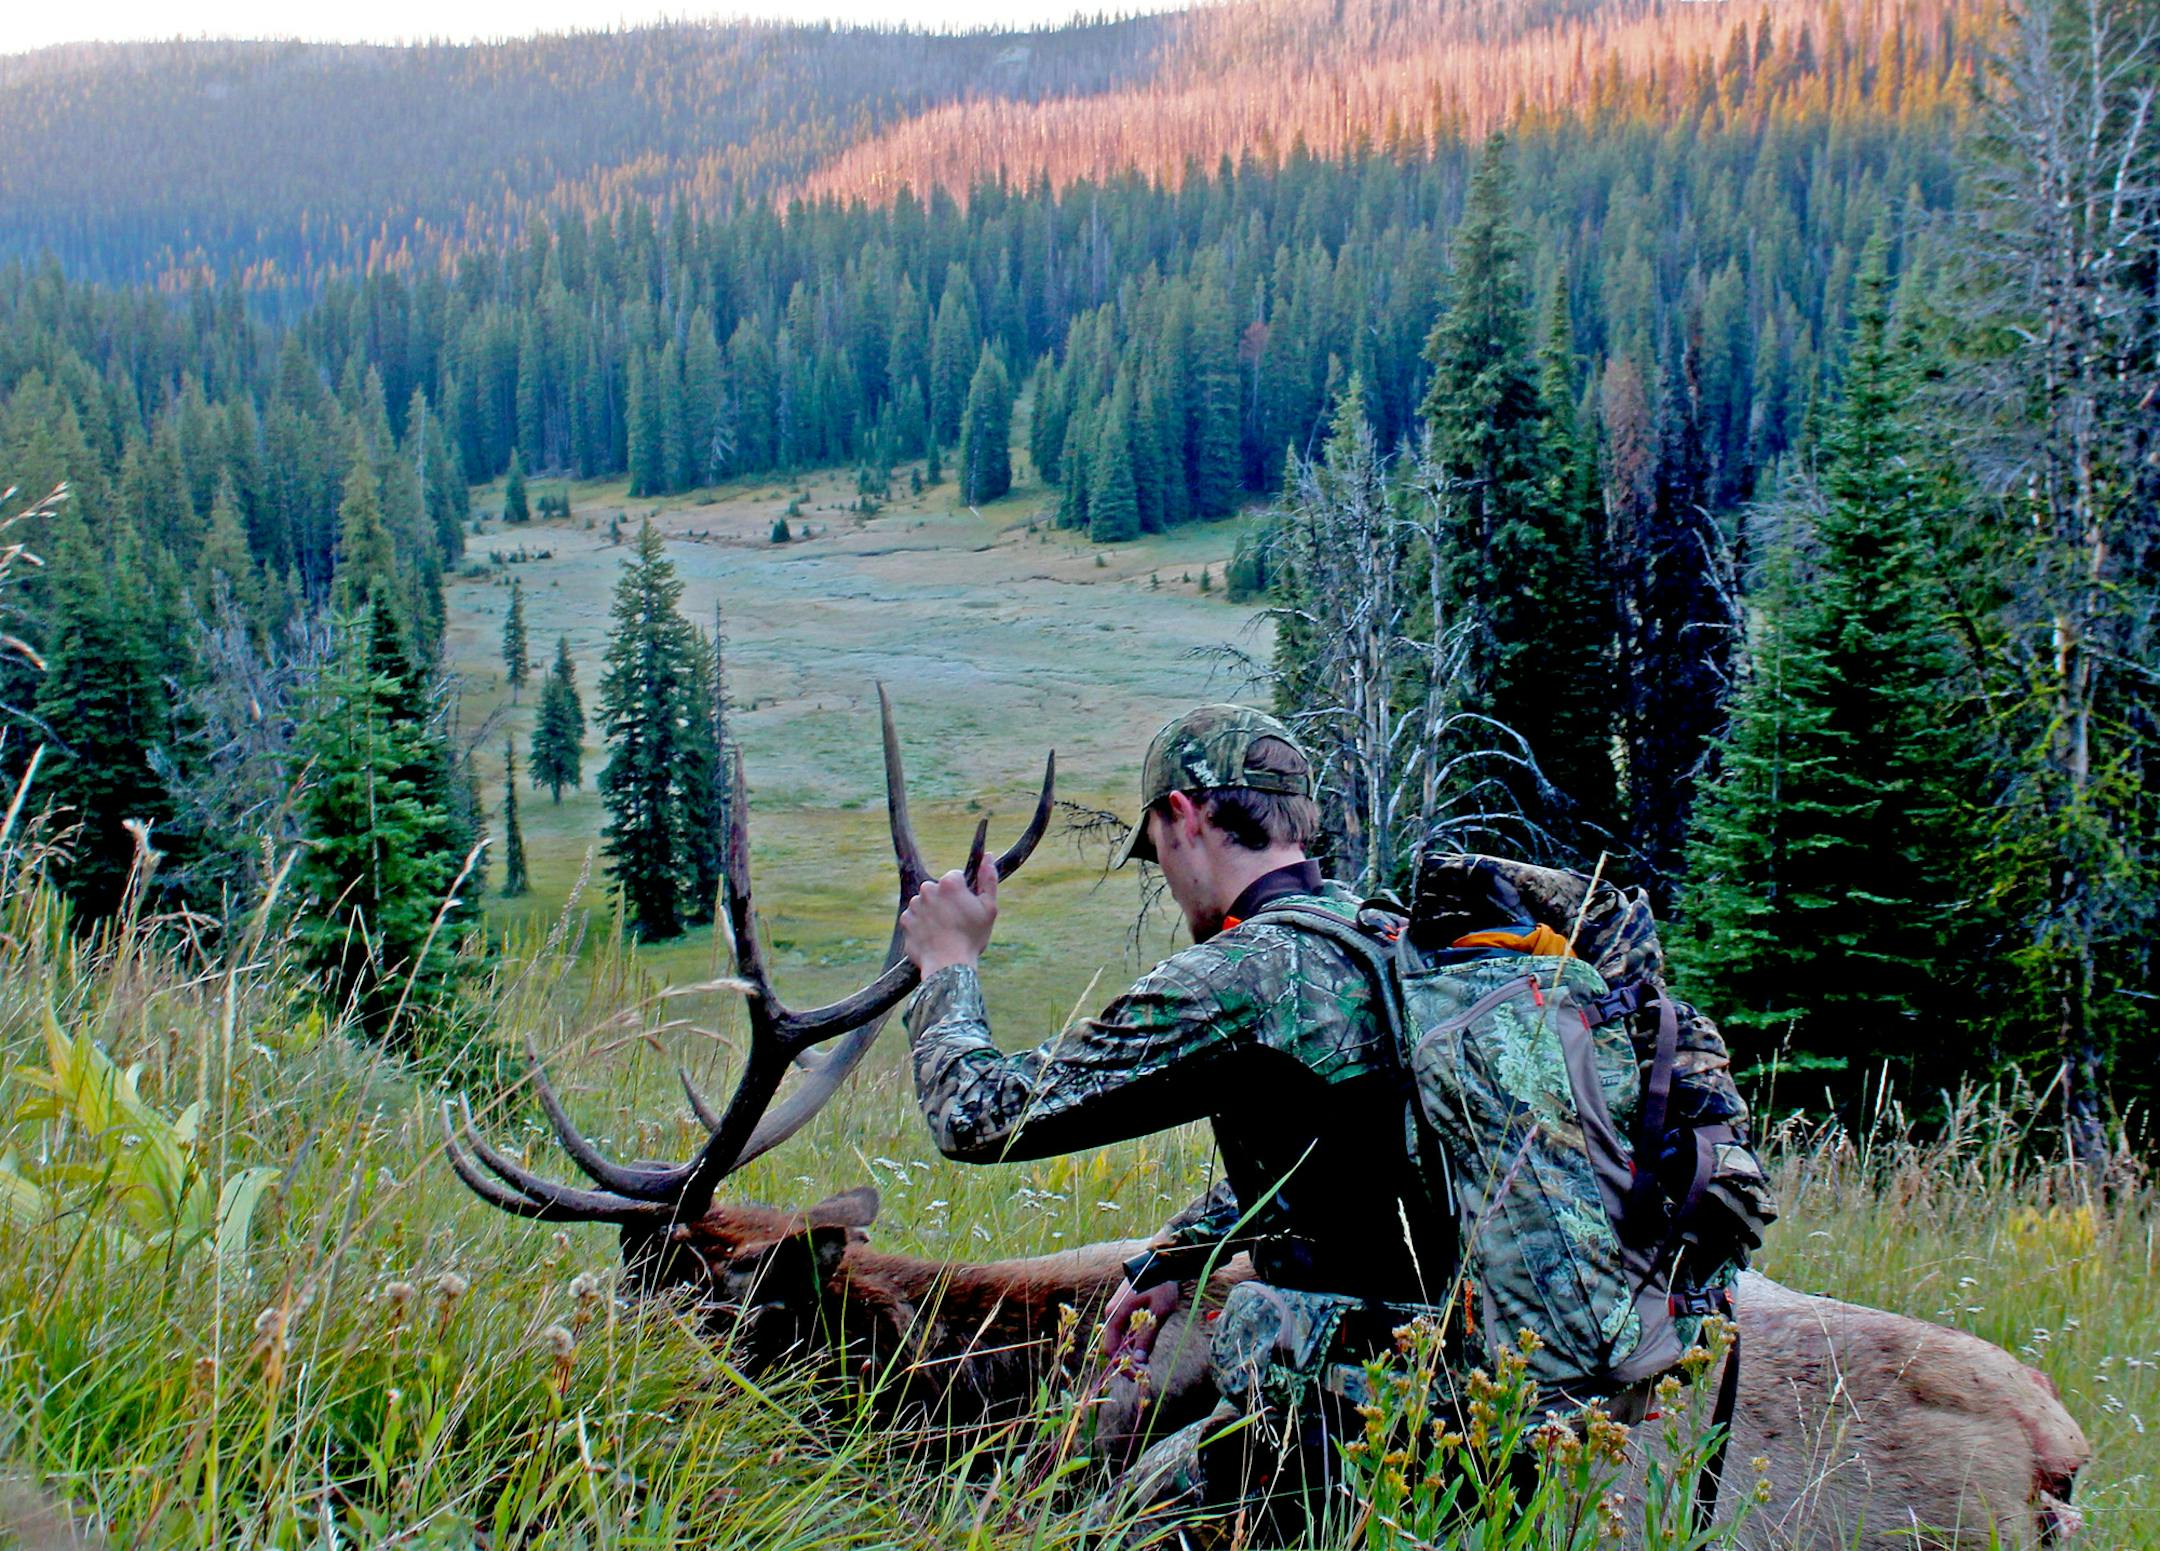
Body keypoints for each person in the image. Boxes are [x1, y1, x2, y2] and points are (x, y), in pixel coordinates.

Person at [897, 705, 1768, 1536]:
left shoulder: (1246, 973)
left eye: (1156, 845)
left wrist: (947, 964)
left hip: (1383, 1418)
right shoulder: (1387, 935)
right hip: (1511, 1385)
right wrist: (1181, 1252)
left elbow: (979, 1116)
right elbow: (1347, 1147)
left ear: (1182, 816)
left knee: (1126, 1506)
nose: (1163, 871)